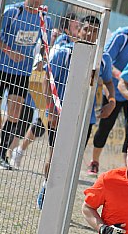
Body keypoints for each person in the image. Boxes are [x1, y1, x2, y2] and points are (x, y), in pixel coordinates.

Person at [36, 15, 115, 208]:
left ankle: (62, 197)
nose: (90, 33)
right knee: (54, 155)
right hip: (60, 114)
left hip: (86, 119)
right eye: (86, 29)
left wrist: (111, 101)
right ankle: (46, 188)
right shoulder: (63, 52)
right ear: (78, 30)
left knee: (74, 159)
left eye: (95, 31)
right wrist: (51, 108)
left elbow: (109, 82)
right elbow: (48, 79)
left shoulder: (103, 58)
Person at [0, 0, 51, 170]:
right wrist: (8, 50)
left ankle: (1, 152)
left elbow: (46, 45)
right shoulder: (12, 12)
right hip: (0, 68)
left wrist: (43, 60)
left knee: (14, 114)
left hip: (22, 73)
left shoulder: (44, 19)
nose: (36, 0)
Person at [88, 7, 128, 176]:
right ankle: (94, 162)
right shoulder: (122, 37)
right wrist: (123, 77)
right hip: (115, 92)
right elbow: (106, 60)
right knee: (105, 127)